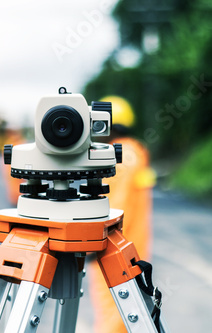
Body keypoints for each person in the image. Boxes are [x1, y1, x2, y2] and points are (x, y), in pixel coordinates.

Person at [88, 96, 156, 332]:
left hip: (113, 249)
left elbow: (116, 203)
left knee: (113, 312)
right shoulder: (136, 151)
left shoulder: (120, 157)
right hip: (132, 247)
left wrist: (94, 237)